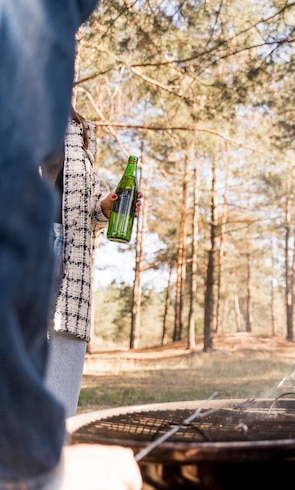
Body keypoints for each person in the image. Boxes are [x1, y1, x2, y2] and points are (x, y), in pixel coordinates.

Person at [0, 1, 141, 489]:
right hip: (24, 267)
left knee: (58, 409)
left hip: (70, 277)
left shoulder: (80, 129)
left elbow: (78, 206)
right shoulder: (19, 99)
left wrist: (107, 207)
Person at [43, 107, 142, 418]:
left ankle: (54, 449)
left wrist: (107, 207)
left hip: (70, 249)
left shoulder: (82, 127)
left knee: (64, 348)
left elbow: (89, 201)